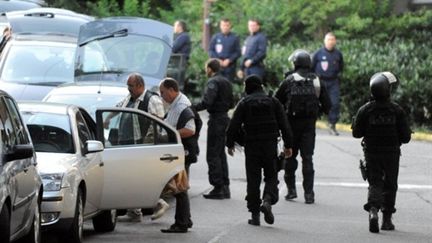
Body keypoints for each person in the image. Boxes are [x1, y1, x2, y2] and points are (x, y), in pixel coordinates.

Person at [226, 74, 293, 226]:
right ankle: (268, 200)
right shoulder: (273, 101)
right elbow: (285, 125)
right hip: (270, 146)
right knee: (271, 176)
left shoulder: (244, 103)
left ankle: (255, 216)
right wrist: (288, 145)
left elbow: (233, 126)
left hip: (251, 147)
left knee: (253, 180)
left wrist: (229, 144)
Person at [103, 73, 168, 222]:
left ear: (140, 86)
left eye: (131, 86)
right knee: (130, 177)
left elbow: (159, 123)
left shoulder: (152, 99)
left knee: (139, 178)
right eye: (127, 85)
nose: (128, 89)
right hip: (128, 144)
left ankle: (159, 203)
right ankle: (134, 211)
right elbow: (118, 107)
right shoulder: (129, 98)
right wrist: (107, 119)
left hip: (142, 146)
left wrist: (149, 145)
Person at [352, 71, 411, 233]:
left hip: (371, 152)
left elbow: (356, 133)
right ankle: (387, 220)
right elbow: (406, 137)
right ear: (387, 90)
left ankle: (373, 211)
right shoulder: (397, 110)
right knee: (390, 184)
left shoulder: (365, 109)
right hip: (392, 153)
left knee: (375, 182)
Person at [275, 50, 331, 204]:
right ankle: (309, 194)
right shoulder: (317, 81)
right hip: (309, 126)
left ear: (295, 63)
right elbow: (328, 105)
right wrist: (316, 111)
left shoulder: (289, 80)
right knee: (307, 158)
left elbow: (276, 101)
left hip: (290, 125)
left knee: (290, 156)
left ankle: (291, 191)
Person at [159, 77, 198, 233]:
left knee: (179, 189)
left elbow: (190, 129)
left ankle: (181, 223)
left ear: (171, 90)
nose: (162, 96)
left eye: (163, 92)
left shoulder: (182, 106)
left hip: (182, 153)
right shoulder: (175, 104)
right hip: (178, 152)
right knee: (181, 188)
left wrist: (171, 134)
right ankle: (185, 220)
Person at [192, 58, 234, 200]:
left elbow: (207, 102)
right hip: (225, 119)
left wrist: (191, 108)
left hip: (216, 120)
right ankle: (225, 186)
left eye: (206, 68)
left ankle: (218, 188)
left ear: (210, 68)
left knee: (213, 154)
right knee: (220, 154)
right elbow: (232, 102)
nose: (205, 70)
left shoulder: (213, 82)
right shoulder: (226, 81)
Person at [312, 32, 344, 136]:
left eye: (332, 39)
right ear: (324, 41)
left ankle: (332, 125)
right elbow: (311, 67)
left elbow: (341, 68)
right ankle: (311, 124)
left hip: (333, 82)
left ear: (335, 41)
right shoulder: (318, 53)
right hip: (319, 81)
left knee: (334, 104)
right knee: (314, 103)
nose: (330, 42)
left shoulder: (338, 54)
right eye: (328, 39)